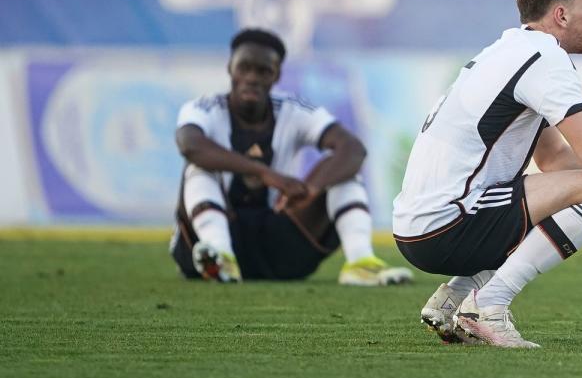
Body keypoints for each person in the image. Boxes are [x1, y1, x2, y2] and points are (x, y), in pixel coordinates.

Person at [393, 0, 582, 348]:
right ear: (560, 15)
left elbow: (555, 160)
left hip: (417, 229)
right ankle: (487, 304)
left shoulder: (509, 50)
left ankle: (452, 299)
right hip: (448, 226)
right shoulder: (546, 58)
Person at [170, 28, 412, 286]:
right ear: (231, 68)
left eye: (263, 71)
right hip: (201, 246)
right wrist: (266, 173)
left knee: (345, 175)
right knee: (198, 167)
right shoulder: (204, 107)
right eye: (245, 68)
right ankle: (219, 256)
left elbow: (353, 149)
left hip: (275, 246)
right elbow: (190, 145)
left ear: (276, 76)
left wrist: (311, 188)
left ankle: (361, 264)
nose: (252, 78)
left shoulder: (292, 110)